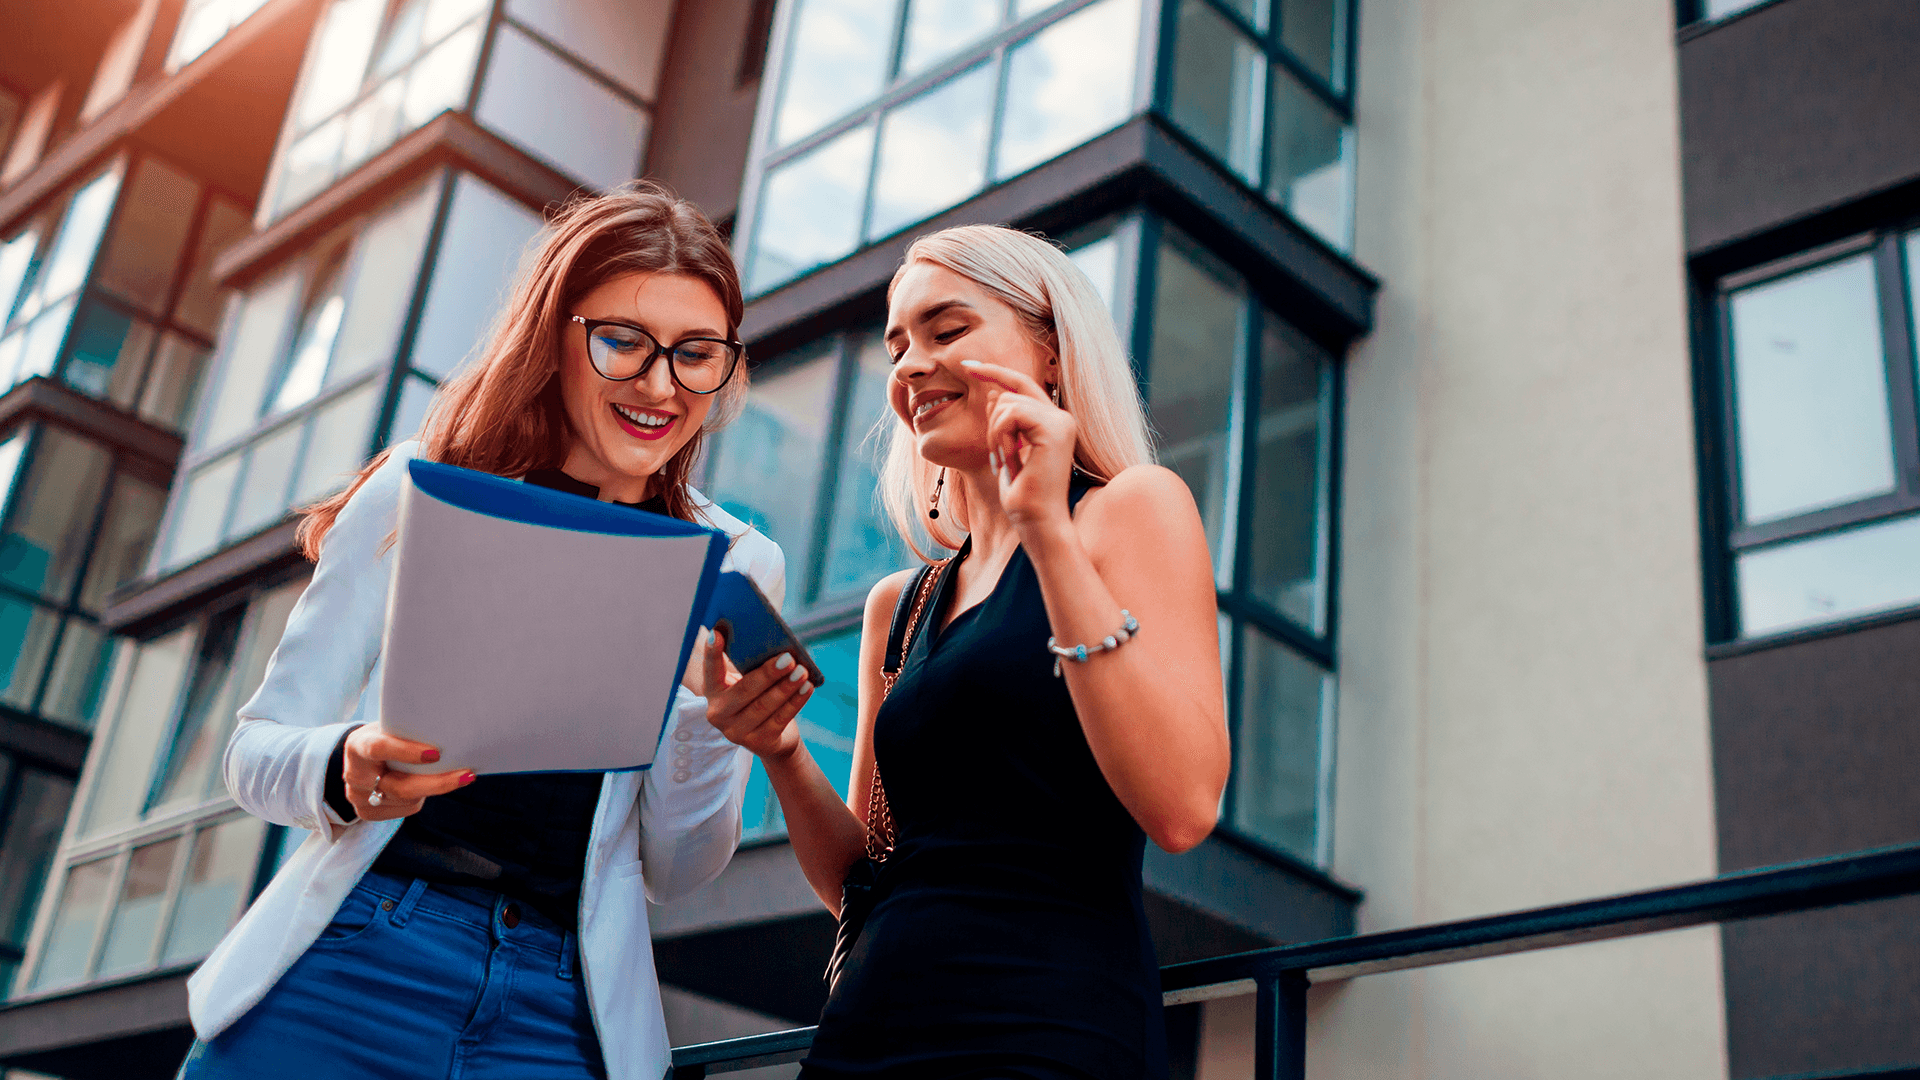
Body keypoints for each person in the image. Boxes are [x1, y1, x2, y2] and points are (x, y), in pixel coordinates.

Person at [177, 183, 809, 1080]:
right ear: (558, 335)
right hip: (351, 965)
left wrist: (716, 725)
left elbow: (678, 867)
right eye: (623, 342)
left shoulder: (736, 564)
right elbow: (254, 752)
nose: (660, 386)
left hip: (553, 1013)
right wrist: (346, 762)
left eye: (696, 354)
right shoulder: (417, 488)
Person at [706, 224, 1231, 1079]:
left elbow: (1183, 808)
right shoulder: (901, 605)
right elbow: (865, 878)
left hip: (1051, 1027)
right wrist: (782, 750)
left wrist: (1047, 537)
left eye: (946, 332)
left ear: (1051, 353)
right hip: (871, 1030)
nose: (910, 366)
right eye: (897, 346)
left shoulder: (1130, 511)